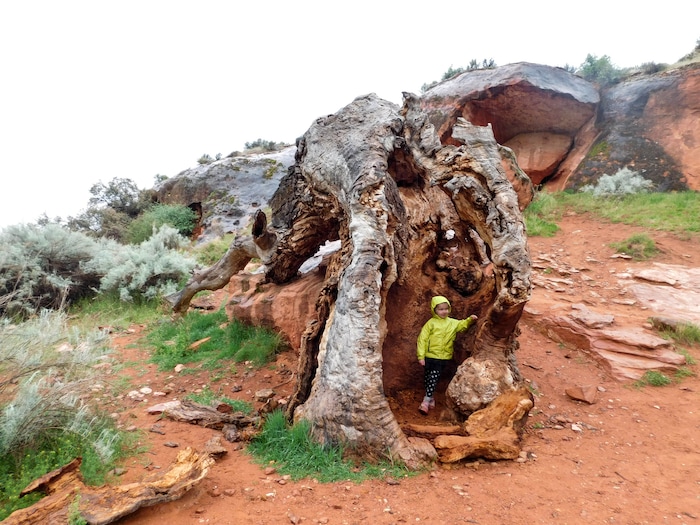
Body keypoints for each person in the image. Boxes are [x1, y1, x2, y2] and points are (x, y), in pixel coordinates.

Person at [416, 295, 478, 415]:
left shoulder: (452, 323)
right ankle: (431, 397)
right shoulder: (431, 323)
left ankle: (425, 401)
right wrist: (421, 356)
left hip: (442, 357)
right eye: (440, 309)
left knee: (434, 377)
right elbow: (422, 339)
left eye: (446, 309)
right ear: (434, 310)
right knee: (428, 378)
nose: (444, 311)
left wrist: (470, 320)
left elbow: (462, 325)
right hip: (429, 356)